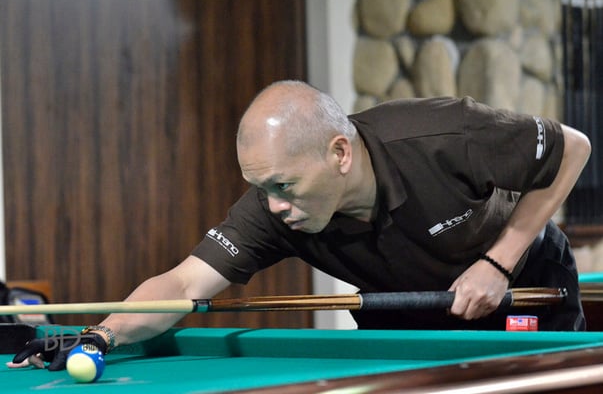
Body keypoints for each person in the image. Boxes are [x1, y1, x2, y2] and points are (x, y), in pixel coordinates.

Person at [8, 80, 592, 371]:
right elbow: (183, 284)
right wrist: (100, 335)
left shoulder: (443, 136)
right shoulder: (277, 209)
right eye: (261, 188)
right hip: (409, 312)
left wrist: (497, 262)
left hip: (523, 289)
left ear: (339, 154)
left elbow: (573, 148)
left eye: (283, 186)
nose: (273, 205)